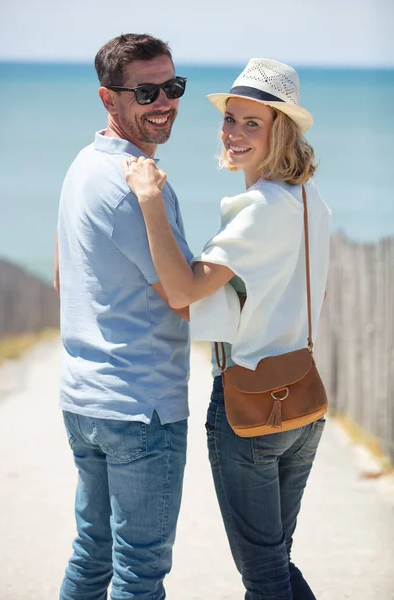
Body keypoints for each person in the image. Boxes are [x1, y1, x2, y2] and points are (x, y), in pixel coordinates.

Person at [123, 58, 331, 600]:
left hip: (250, 409)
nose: (233, 134)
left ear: (278, 131)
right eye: (230, 119)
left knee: (264, 575)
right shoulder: (311, 201)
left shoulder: (261, 209)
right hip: (302, 404)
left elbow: (185, 290)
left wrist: (149, 200)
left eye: (251, 123)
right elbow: (250, 295)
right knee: (276, 564)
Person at [55, 33, 193, 600]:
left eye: (172, 87)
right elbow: (182, 295)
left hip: (85, 399)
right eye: (146, 91)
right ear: (109, 99)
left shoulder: (83, 165)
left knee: (92, 556)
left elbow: (66, 279)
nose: (163, 102)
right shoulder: (137, 187)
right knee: (139, 574)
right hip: (142, 407)